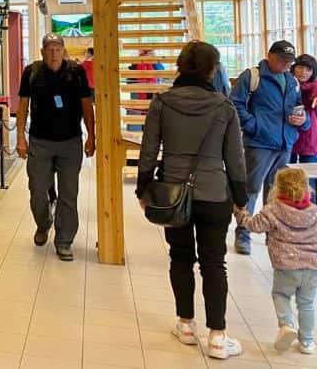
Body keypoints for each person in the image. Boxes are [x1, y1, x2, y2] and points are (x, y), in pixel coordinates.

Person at [136, 41, 247, 360]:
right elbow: (235, 158)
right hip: (214, 193)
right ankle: (217, 336)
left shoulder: (162, 103)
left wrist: (144, 188)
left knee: (180, 257)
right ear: (213, 69)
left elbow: (148, 150)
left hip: (173, 193)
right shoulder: (224, 107)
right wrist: (240, 197)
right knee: (214, 262)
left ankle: (185, 325)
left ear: (180, 67)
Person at [16, 33, 95, 261]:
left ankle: (64, 240)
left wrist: (92, 135)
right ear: (42, 52)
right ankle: (44, 224)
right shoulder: (31, 72)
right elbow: (22, 107)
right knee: (37, 191)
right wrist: (20, 138)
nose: (54, 53)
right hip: (40, 142)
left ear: (64, 50)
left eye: (57, 49)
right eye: (49, 49)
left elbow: (87, 106)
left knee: (69, 194)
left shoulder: (76, 72)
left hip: (70, 142)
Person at [231, 41, 312, 255]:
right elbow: (235, 105)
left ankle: (272, 232)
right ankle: (243, 233)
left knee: (275, 191)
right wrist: (255, 126)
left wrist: (301, 122)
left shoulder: (291, 81)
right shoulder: (252, 76)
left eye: (289, 62)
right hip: (259, 143)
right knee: (251, 188)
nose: (286, 65)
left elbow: (298, 110)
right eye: (282, 60)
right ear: (269, 56)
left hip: (285, 143)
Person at [236, 167, 317, 355]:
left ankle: (287, 324)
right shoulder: (314, 211)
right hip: (312, 267)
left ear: (277, 188)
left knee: (281, 295)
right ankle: (307, 341)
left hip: (285, 266)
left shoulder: (273, 209)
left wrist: (240, 214)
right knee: (307, 303)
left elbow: (254, 226)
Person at [126, 48, 165, 132]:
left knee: (155, 116)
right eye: (144, 52)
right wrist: (137, 61)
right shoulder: (137, 63)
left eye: (148, 52)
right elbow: (129, 78)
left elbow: (162, 72)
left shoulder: (155, 62)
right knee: (145, 117)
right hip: (143, 93)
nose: (146, 55)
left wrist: (153, 58)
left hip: (154, 92)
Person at [290, 55, 317, 164]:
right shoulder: (287, 84)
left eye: (308, 69)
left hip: (309, 135)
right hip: (289, 132)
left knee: (309, 174)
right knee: (286, 173)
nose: (303, 72)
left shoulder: (314, 87)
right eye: (300, 67)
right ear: (294, 68)